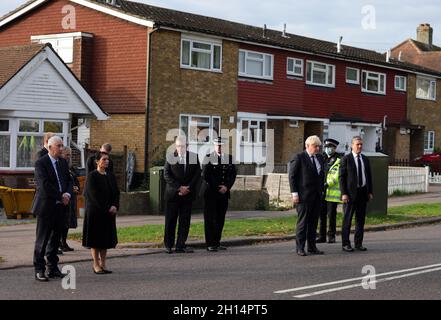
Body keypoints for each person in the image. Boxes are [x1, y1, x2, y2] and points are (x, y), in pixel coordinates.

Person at [32, 136, 73, 282]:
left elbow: (69, 180)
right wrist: (60, 196)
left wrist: (67, 193)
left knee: (55, 240)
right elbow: (44, 185)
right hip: (46, 207)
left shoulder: (63, 162)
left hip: (60, 208)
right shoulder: (41, 163)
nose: (61, 149)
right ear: (49, 148)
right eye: (58, 146)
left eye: (62, 145)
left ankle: (53, 268)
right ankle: (39, 270)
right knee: (42, 240)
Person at [82, 152, 120, 274]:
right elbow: (93, 196)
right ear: (97, 161)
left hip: (109, 213)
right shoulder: (92, 176)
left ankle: (103, 263)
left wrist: (115, 205)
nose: (107, 161)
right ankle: (96, 264)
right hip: (96, 212)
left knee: (105, 240)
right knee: (96, 240)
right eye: (104, 159)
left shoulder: (110, 176)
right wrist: (106, 208)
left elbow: (116, 193)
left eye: (107, 159)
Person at [163, 136, 201, 254]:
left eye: (183, 146)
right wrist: (179, 188)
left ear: (187, 145)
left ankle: (180, 245)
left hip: (188, 195)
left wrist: (188, 188)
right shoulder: (170, 157)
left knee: (184, 221)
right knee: (170, 221)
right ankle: (169, 245)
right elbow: (166, 175)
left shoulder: (193, 157)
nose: (180, 148)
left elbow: (197, 174)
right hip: (173, 195)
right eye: (178, 146)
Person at [289, 135, 325, 256]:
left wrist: (322, 190)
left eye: (319, 146)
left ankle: (312, 246)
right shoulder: (299, 157)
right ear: (307, 146)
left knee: (313, 222)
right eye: (315, 146)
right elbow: (292, 177)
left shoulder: (319, 158)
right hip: (303, 196)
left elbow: (321, 175)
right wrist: (294, 194)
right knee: (303, 223)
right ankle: (300, 247)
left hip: (317, 196)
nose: (317, 149)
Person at [202, 137, 237, 252]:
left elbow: (233, 174)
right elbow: (206, 175)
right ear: (214, 146)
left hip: (224, 194)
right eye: (217, 145)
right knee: (210, 219)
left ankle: (217, 242)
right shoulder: (208, 158)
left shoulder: (229, 158)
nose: (219, 147)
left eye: (221, 145)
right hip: (211, 193)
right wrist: (218, 187)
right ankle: (210, 243)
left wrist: (227, 186)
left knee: (220, 219)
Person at [339, 136, 373, 252]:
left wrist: (370, 191)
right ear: (352, 145)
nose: (359, 146)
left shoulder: (365, 159)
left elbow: (368, 176)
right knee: (347, 220)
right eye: (357, 144)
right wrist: (344, 193)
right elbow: (342, 178)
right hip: (350, 194)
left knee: (360, 220)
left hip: (362, 193)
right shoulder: (346, 159)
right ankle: (345, 244)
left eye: (361, 144)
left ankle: (358, 243)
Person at [317, 139, 342, 244]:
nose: (328, 149)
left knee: (331, 215)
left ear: (335, 148)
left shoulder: (339, 159)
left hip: (331, 192)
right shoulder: (322, 158)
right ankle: (322, 236)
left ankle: (331, 236)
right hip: (321, 192)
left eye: (330, 147)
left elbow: (337, 175)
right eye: (326, 147)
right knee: (321, 215)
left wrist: (327, 184)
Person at [59, 147, 80, 252]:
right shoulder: (59, 167)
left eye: (69, 155)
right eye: (66, 155)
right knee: (61, 223)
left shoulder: (71, 168)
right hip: (63, 199)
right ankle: (58, 243)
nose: (68, 157)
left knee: (68, 223)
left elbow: (76, 181)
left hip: (72, 199)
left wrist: (77, 188)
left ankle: (64, 242)